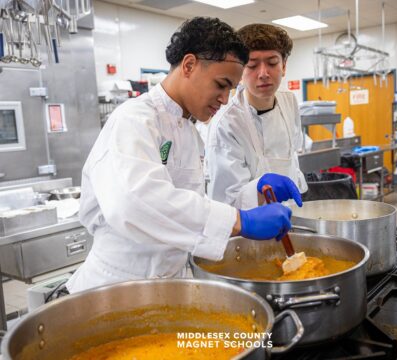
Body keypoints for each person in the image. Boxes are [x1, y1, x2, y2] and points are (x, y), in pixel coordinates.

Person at [66, 17, 301, 294]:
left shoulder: (190, 131)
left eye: (231, 89)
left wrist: (255, 193)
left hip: (164, 287)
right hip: (114, 289)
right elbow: (134, 203)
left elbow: (189, 205)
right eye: (221, 84)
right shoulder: (135, 120)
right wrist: (241, 221)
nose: (225, 99)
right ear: (189, 65)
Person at [206, 23, 309, 209]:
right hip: (250, 224)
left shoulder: (289, 102)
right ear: (239, 71)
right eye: (252, 65)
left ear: (284, 66)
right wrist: (258, 190)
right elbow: (225, 200)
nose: (263, 74)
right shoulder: (226, 123)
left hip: (292, 212)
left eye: (272, 63)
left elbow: (293, 154)